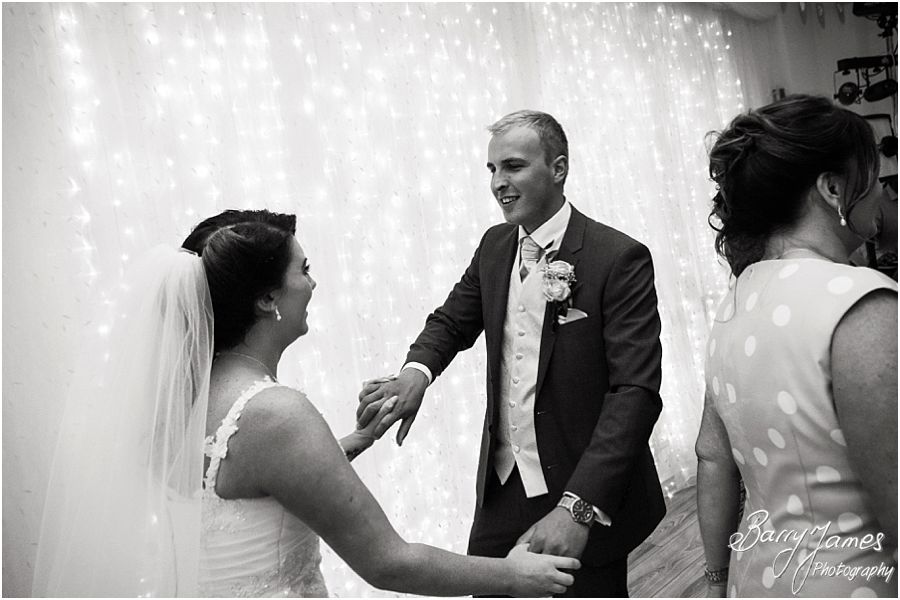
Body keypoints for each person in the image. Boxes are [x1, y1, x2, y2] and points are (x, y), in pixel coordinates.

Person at [32, 209, 580, 597]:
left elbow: (242, 486)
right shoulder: (275, 413)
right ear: (268, 298)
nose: (313, 284)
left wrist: (353, 442)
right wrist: (514, 577)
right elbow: (388, 563)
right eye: (304, 270)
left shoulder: (179, 398)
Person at [357, 110, 666, 596]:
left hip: (582, 489)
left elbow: (636, 392)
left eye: (514, 167)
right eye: (492, 170)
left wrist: (577, 506)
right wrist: (415, 372)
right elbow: (452, 320)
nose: (499, 182)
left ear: (558, 168)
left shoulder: (617, 257)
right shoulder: (495, 246)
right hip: (502, 487)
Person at [696, 94, 898, 597]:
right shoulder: (861, 305)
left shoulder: (735, 302)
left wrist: (716, 578)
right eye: (874, 176)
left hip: (760, 578)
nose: (882, 193)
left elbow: (711, 456)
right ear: (833, 188)